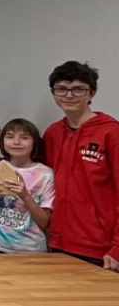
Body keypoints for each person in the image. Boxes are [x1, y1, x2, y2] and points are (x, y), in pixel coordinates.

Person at [43, 61, 118, 270]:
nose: (68, 95)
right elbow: (34, 171)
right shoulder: (52, 133)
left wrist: (117, 247)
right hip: (58, 243)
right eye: (61, 89)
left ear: (92, 92)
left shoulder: (111, 132)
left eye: (78, 89)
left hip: (100, 248)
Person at [0, 118, 55, 253]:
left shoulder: (45, 174)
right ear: (2, 141)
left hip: (31, 249)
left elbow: (45, 222)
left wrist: (25, 195)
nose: (16, 142)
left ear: (34, 142)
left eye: (24, 138)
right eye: (10, 137)